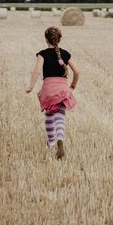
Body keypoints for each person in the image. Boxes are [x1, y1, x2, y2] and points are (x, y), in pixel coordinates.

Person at [25, 25, 79, 158]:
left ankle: (51, 142)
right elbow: (77, 72)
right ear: (59, 39)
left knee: (49, 116)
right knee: (60, 116)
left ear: (46, 39)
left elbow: (37, 71)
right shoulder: (65, 54)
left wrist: (31, 86)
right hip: (62, 88)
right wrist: (72, 85)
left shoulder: (42, 54)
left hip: (49, 88)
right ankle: (60, 138)